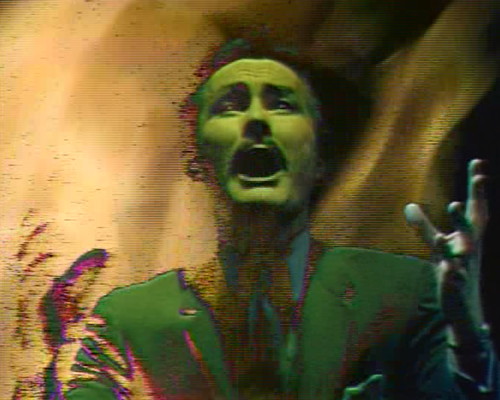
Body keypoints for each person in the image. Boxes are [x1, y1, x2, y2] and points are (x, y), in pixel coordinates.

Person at [45, 45, 497, 399]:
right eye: (230, 105)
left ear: (320, 158)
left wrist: (467, 335)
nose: (257, 120)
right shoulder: (127, 322)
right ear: (196, 156)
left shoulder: (403, 292)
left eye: (282, 105)